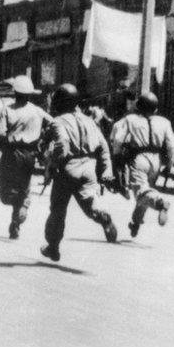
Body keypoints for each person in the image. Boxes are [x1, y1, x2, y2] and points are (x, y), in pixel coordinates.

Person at [40, 84, 119, 262]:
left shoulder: (58, 121)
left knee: (58, 211)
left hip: (67, 169)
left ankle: (53, 247)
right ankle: (103, 216)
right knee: (90, 204)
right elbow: (104, 147)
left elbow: (61, 145)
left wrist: (52, 166)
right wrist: (107, 171)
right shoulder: (90, 121)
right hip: (89, 168)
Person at [0, 76, 51, 239]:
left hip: (11, 153)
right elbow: (53, 125)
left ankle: (19, 205)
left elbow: (1, 133)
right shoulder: (37, 111)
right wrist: (43, 141)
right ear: (29, 94)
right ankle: (19, 213)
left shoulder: (7, 110)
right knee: (24, 186)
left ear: (15, 93)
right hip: (30, 155)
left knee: (5, 191)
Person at [110, 92, 174, 238]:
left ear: (138, 106)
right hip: (156, 161)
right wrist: (169, 166)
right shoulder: (164, 122)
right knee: (146, 191)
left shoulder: (130, 119)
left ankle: (160, 203)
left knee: (141, 192)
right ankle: (136, 222)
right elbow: (173, 147)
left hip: (138, 159)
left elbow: (118, 139)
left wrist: (117, 157)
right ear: (155, 109)